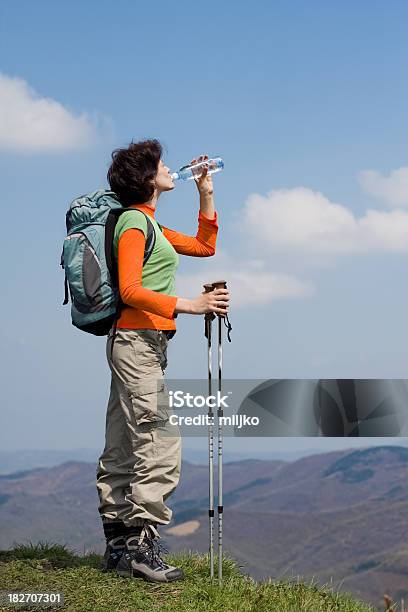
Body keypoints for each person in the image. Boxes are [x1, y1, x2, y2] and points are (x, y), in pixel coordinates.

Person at [96, 139, 229, 583]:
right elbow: (131, 289)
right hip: (137, 343)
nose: (170, 168)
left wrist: (205, 191)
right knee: (159, 441)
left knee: (122, 440)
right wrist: (191, 305)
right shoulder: (134, 223)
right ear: (146, 178)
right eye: (161, 164)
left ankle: (118, 546)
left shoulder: (149, 223)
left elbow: (204, 247)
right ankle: (141, 547)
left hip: (138, 344)